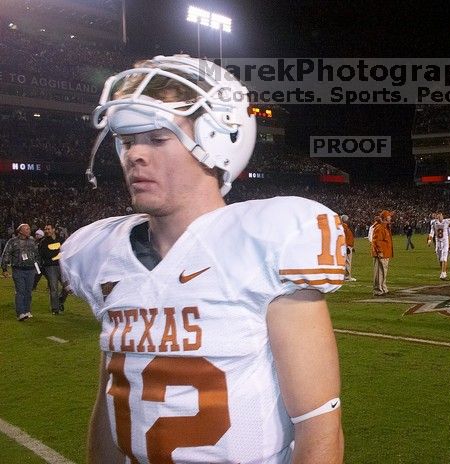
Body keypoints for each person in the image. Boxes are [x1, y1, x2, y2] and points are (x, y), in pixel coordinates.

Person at [59, 56, 344, 463]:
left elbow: (318, 425)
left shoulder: (262, 242)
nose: (134, 155)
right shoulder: (104, 253)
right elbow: (109, 403)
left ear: (215, 139)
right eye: (126, 140)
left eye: (157, 138)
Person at [1, 223, 39, 321]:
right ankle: (21, 313)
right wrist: (4, 269)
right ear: (20, 231)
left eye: (29, 229)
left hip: (31, 269)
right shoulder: (12, 241)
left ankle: (27, 310)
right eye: (26, 229)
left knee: (28, 292)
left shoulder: (32, 240)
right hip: (18, 269)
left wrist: (38, 266)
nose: (29, 230)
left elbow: (36, 254)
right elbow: (6, 254)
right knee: (20, 291)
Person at [38, 223, 66, 314]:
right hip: (50, 267)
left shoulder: (60, 239)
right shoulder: (43, 242)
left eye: (48, 229)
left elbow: (65, 251)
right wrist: (58, 253)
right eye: (45, 229)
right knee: (54, 288)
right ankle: (55, 309)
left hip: (62, 266)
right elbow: (46, 255)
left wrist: (56, 253)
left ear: (53, 229)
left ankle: (60, 301)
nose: (46, 231)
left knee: (68, 286)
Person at [371, 210, 394, 296]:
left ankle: (383, 288)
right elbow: (376, 241)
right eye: (389, 216)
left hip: (386, 253)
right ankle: (378, 290)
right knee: (379, 272)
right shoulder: (380, 227)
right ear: (385, 218)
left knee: (383, 272)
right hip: (381, 253)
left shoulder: (385, 227)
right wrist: (380, 251)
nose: (390, 218)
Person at [427, 211, 450, 280]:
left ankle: (443, 273)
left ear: (442, 215)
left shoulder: (447, 222)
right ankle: (443, 272)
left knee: (444, 257)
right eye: (437, 215)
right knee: (440, 259)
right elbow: (431, 232)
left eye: (440, 215)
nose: (438, 216)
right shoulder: (433, 222)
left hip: (445, 242)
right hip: (438, 242)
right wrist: (429, 240)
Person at [340, 214, 356, 281]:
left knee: (346, 261)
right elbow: (344, 237)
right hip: (346, 246)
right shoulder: (344, 227)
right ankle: (347, 276)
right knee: (347, 261)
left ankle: (344, 276)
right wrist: (346, 246)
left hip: (348, 246)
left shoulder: (345, 226)